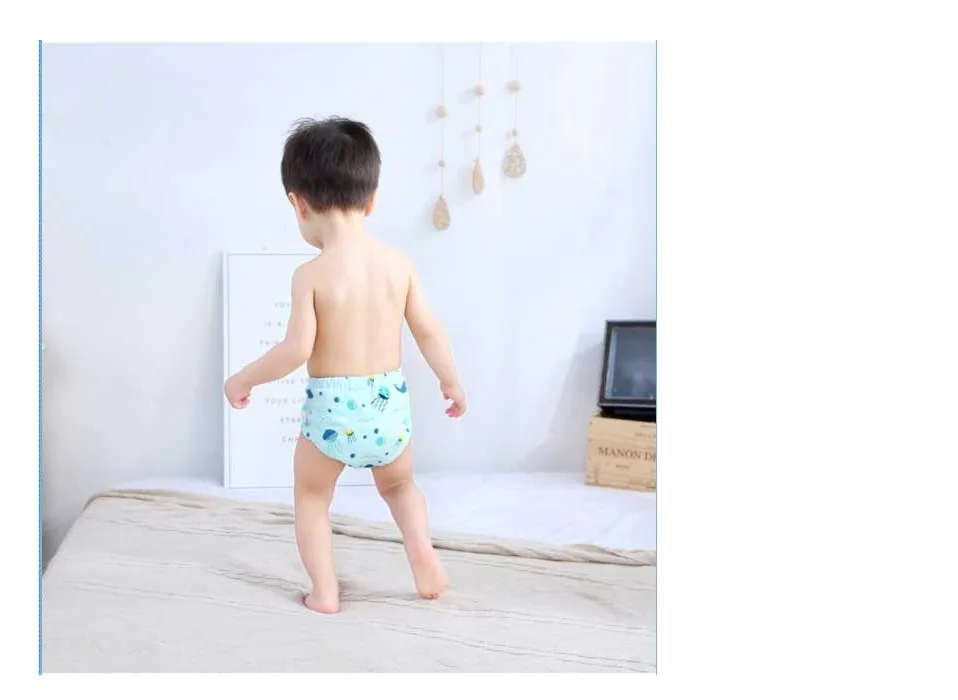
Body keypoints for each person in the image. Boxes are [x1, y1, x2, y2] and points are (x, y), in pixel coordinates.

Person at [224, 117, 467, 614]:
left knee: (313, 497)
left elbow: (296, 349)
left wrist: (243, 378)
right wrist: (450, 381)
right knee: (399, 486)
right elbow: (428, 331)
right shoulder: (399, 265)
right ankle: (420, 548)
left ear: (299, 204)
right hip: (388, 407)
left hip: (332, 414)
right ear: (371, 201)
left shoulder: (310, 275)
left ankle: (325, 592)